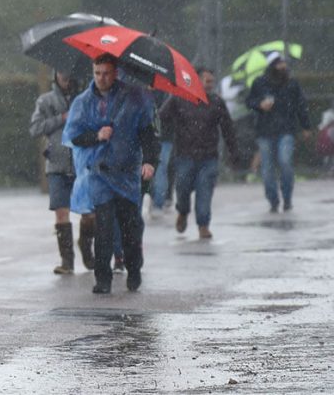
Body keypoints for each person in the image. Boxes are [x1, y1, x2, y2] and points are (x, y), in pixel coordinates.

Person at [63, 54, 159, 294]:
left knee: (130, 227)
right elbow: (74, 136)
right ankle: (102, 278)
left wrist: (149, 161)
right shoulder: (83, 102)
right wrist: (96, 136)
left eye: (106, 73)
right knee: (103, 227)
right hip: (99, 174)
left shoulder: (134, 99)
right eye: (97, 73)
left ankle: (134, 269)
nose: (101, 78)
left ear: (115, 72)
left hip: (127, 173)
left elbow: (147, 133)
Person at [160, 68, 239, 239]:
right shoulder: (179, 98)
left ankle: (203, 224)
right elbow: (162, 117)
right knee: (182, 189)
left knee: (205, 191)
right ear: (196, 80)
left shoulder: (217, 102)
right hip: (184, 155)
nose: (210, 85)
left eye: (212, 82)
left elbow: (228, 129)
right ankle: (182, 211)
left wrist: (233, 152)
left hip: (208, 157)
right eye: (207, 81)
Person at [29, 70, 82, 274]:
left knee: (89, 214)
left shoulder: (84, 99)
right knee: (61, 212)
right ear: (55, 75)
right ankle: (67, 261)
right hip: (56, 165)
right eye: (61, 73)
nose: (66, 77)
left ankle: (88, 248)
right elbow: (35, 129)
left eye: (68, 73)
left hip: (81, 165)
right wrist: (61, 118)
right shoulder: (45, 101)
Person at [245, 53, 312, 212]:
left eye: (284, 63)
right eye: (279, 63)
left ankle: (287, 198)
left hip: (286, 130)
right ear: (272, 65)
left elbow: (300, 105)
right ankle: (273, 200)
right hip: (265, 131)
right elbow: (249, 101)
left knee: (285, 162)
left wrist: (306, 126)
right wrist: (260, 105)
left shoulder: (292, 84)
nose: (283, 66)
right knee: (267, 169)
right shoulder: (260, 83)